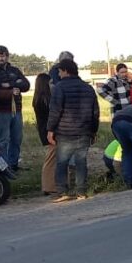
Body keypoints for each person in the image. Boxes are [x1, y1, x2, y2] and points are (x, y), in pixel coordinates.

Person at [47, 57, 100, 202]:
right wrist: (94, 131)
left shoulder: (60, 87)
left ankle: (62, 191)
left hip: (65, 132)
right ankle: (81, 192)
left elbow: (55, 110)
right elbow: (95, 112)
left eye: (59, 71)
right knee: (81, 162)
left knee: (62, 163)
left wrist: (50, 130)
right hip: (84, 131)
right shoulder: (88, 88)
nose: (58, 74)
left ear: (65, 71)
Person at [0, 45, 30, 177]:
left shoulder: (14, 69)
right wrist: (14, 84)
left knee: (17, 138)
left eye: (3, 56)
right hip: (1, 110)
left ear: (7, 56)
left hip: (17, 110)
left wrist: (7, 84)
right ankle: (3, 169)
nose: (0, 58)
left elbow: (26, 85)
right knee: (3, 140)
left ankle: (13, 164)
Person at [31, 73, 57, 195]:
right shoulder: (45, 100)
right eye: (50, 83)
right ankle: (48, 186)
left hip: (45, 131)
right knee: (51, 159)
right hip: (50, 131)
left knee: (53, 158)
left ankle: (51, 185)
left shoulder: (38, 98)